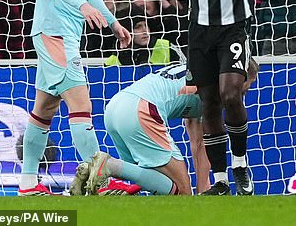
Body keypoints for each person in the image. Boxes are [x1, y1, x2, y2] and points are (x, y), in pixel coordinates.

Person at [145, 0, 279, 195]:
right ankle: (219, 180)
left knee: (231, 94)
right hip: (199, 31)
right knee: (208, 103)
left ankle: (240, 164)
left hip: (233, 27)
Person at [18, 0, 131, 196]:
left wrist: (113, 23)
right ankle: (100, 181)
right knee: (81, 103)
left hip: (65, 31)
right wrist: (82, 6)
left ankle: (27, 183)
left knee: (44, 109)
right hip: (54, 31)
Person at [77, 60, 259, 196]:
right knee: (182, 190)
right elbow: (202, 143)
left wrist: (203, 189)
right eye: (248, 84)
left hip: (116, 107)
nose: (247, 90)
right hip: (141, 109)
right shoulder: (214, 87)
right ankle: (109, 165)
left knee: (150, 176)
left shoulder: (198, 67)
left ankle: (90, 171)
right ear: (238, 76)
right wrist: (201, 189)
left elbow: (197, 139)